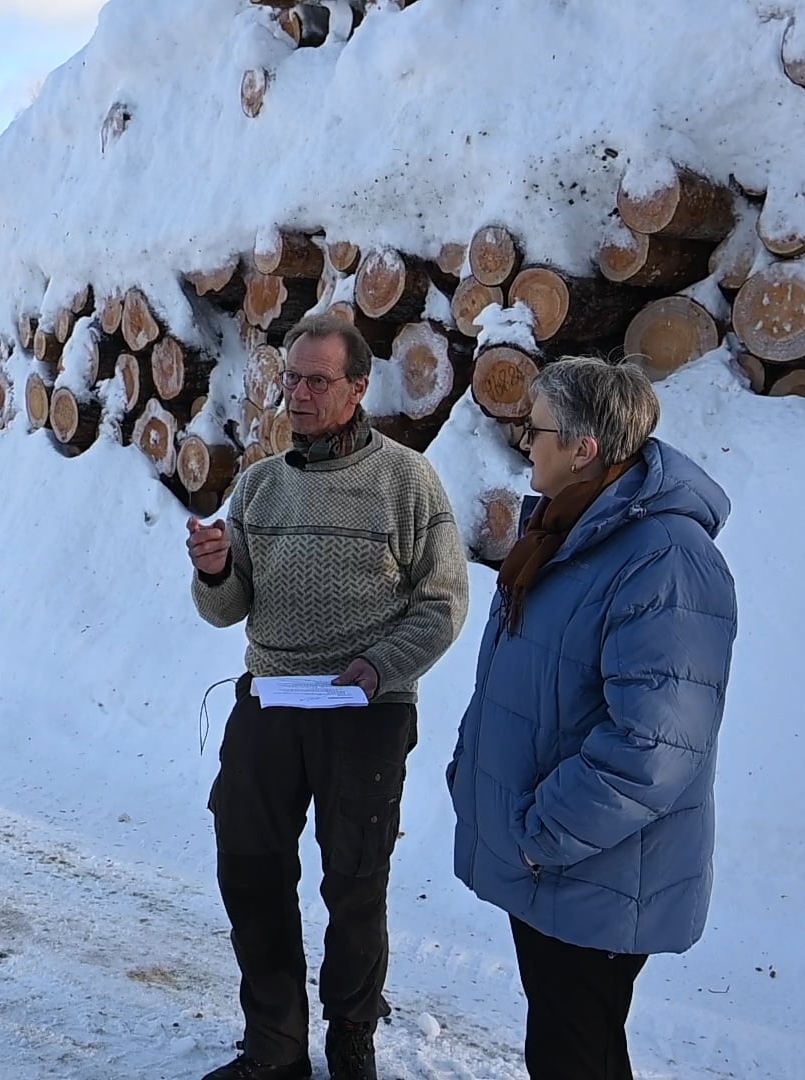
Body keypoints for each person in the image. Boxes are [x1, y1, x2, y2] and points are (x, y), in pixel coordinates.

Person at [186, 313, 470, 1080]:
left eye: (317, 381)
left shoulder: (407, 481)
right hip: (273, 700)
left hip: (366, 710)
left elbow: (443, 602)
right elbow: (225, 609)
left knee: (354, 883)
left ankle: (351, 1041)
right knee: (249, 867)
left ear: (357, 387)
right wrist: (215, 569)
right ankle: (274, 1047)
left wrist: (382, 666)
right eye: (291, 379)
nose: (299, 395)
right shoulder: (258, 485)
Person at [447, 357, 738, 1080]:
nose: (525, 444)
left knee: (575, 1055)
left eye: (537, 430)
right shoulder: (567, 532)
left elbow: (655, 743)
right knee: (569, 1046)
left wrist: (544, 832)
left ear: (586, 449)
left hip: (591, 862)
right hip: (557, 862)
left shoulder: (664, 559)